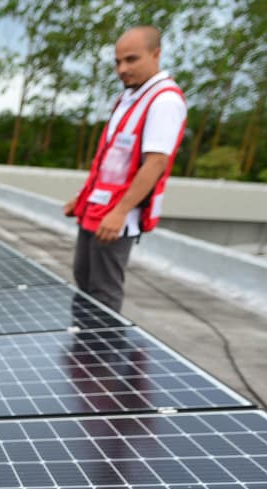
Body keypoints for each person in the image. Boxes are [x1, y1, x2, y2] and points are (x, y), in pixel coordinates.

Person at [63, 25, 187, 312]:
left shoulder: (164, 100)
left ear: (156, 55)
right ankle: (84, 350)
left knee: (103, 292)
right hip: (94, 210)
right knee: (84, 280)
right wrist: (82, 199)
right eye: (118, 62)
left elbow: (155, 163)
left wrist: (120, 212)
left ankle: (100, 355)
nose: (122, 69)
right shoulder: (130, 97)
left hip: (117, 217)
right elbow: (111, 163)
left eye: (131, 60)